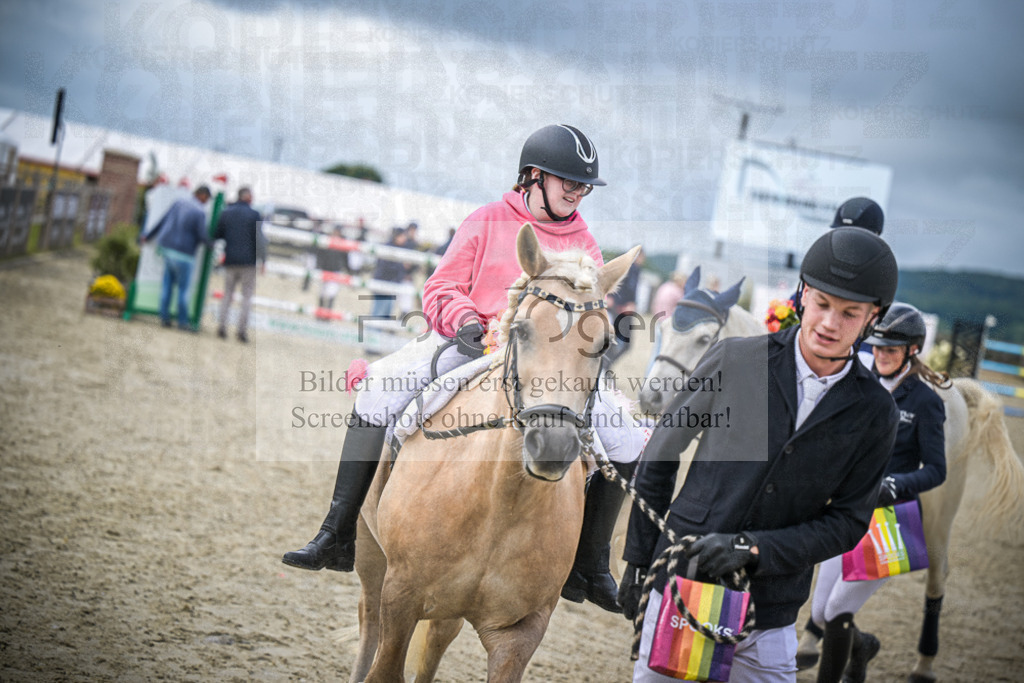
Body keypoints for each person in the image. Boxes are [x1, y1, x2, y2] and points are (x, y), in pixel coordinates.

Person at [282, 124, 649, 613]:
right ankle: (337, 532)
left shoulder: (584, 242)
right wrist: (466, 321)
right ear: (534, 176)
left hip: (547, 360)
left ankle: (591, 563)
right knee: (378, 391)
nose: (578, 193)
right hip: (471, 343)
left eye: (584, 187)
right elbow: (441, 286)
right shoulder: (487, 220)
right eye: (570, 182)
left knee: (628, 438)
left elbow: (586, 308)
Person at [619, 226, 901, 682]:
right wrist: (638, 557)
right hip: (685, 582)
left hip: (770, 611)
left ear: (874, 317)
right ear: (803, 295)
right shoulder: (733, 359)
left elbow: (848, 523)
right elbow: (662, 452)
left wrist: (753, 548)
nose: (830, 323)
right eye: (822, 304)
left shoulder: (876, 412)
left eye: (850, 313)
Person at [798, 303, 947, 683]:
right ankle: (862, 647)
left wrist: (895, 484)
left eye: (890, 350)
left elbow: (937, 469)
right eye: (877, 347)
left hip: (889, 520)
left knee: (836, 611)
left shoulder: (926, 401)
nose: (881, 355)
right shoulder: (862, 384)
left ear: (912, 350)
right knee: (820, 614)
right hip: (848, 511)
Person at [144, 185, 212, 330]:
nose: (206, 202)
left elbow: (163, 221)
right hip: (185, 254)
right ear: (203, 195)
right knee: (183, 289)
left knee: (167, 285)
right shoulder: (200, 212)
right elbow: (201, 235)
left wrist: (148, 236)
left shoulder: (178, 203)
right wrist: (211, 244)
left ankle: (164, 318)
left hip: (167, 250)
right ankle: (182, 322)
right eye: (207, 199)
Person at [214, 187, 266, 343]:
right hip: (248, 262)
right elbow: (259, 239)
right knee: (246, 297)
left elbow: (217, 234)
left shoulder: (226, 213)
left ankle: (222, 327)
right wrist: (263, 259)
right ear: (249, 197)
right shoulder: (254, 214)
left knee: (227, 294)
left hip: (230, 259)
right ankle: (241, 331)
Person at [603, 249, 644, 367]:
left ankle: (605, 367)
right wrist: (618, 302)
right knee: (617, 343)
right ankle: (605, 367)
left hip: (621, 309)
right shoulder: (632, 268)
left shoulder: (634, 269)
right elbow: (625, 288)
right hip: (620, 310)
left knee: (618, 343)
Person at [369, 226, 411, 319]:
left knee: (386, 313)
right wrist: (402, 265)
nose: (404, 238)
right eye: (402, 236)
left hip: (391, 284)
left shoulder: (401, 248)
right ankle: (372, 328)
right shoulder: (388, 247)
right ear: (396, 236)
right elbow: (385, 266)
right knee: (379, 312)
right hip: (383, 283)